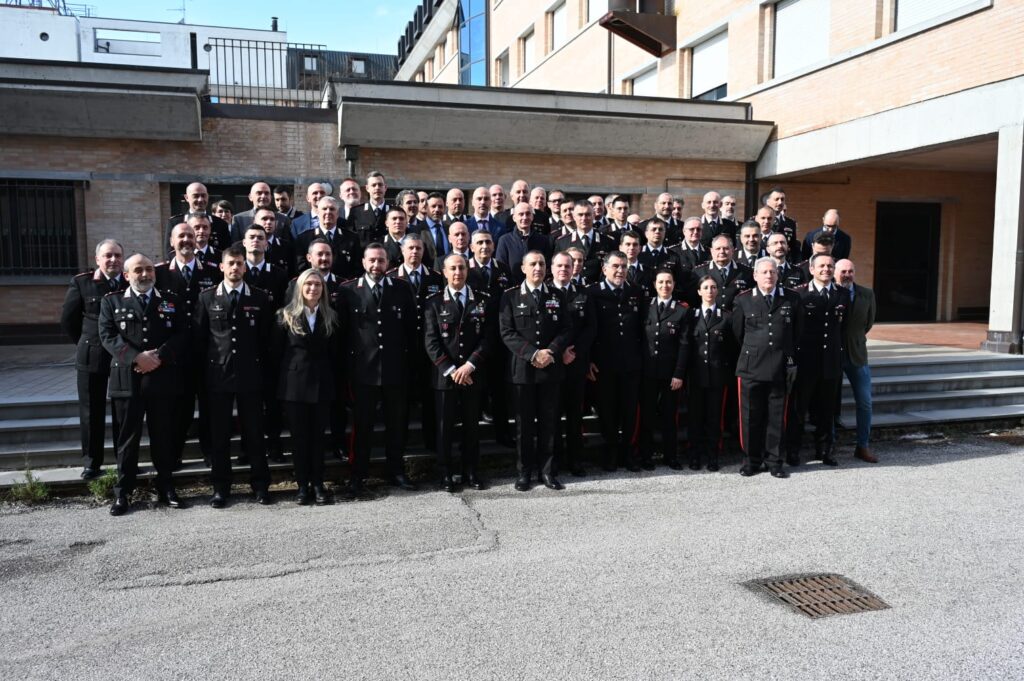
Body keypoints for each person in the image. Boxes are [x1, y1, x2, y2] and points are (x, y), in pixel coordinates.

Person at [99, 254, 189, 516]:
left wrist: (159, 356)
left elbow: (183, 332)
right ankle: (123, 492)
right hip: (127, 380)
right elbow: (107, 335)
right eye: (138, 270)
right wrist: (137, 357)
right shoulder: (112, 301)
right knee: (127, 438)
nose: (145, 274)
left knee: (164, 435)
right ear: (127, 275)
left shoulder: (171, 300)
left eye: (149, 269)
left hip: (162, 378)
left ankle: (166, 487)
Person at [193, 246, 274, 507]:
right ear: (222, 266)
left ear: (245, 267)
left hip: (251, 374)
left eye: (240, 263)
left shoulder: (259, 297)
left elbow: (266, 339)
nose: (235, 267)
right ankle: (221, 488)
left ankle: (260, 486)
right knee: (219, 435)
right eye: (231, 263)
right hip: (219, 375)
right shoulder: (207, 297)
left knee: (254, 433)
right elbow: (200, 340)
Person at [341, 244, 419, 495]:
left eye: (381, 260)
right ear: (363, 262)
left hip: (395, 370)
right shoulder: (348, 291)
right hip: (363, 371)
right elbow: (343, 334)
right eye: (372, 260)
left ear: (388, 263)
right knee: (362, 427)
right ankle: (358, 474)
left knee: (396, 425)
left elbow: (411, 331)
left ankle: (396, 470)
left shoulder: (402, 288)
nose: (377, 265)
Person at [500, 250, 572, 491]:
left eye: (541, 264)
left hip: (550, 368)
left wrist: (550, 351)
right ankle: (524, 473)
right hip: (523, 371)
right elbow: (507, 332)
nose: (538, 268)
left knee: (549, 423)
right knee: (525, 426)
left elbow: (566, 328)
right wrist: (533, 354)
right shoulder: (510, 297)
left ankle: (548, 472)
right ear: (523, 268)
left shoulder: (556, 295)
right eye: (532, 264)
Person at [424, 253, 494, 492]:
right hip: (446, 376)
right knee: (445, 428)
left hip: (473, 374)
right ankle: (445, 473)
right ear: (444, 272)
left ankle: (471, 471)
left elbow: (488, 337)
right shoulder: (433, 302)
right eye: (452, 268)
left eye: (462, 268)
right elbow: (431, 341)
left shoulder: (482, 300)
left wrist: (470, 365)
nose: (457, 272)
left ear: (467, 270)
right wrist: (452, 369)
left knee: (471, 427)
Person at [155, 223, 222, 466]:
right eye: (181, 236)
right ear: (171, 242)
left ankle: (210, 453)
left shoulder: (213, 271)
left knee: (209, 405)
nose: (186, 240)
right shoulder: (159, 273)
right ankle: (174, 455)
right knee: (177, 407)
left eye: (190, 236)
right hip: (174, 354)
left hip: (206, 351)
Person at [60, 238, 127, 480]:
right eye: (108, 255)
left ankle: (124, 461)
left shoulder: (129, 282)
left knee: (122, 411)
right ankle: (91, 463)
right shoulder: (82, 283)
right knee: (91, 411)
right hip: (92, 355)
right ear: (97, 259)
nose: (113, 260)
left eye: (117, 255)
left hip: (122, 357)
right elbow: (68, 320)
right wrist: (86, 342)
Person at [274, 268, 342, 506]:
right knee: (299, 439)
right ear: (300, 288)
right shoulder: (285, 316)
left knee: (318, 439)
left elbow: (335, 354)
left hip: (322, 386)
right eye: (308, 284)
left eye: (318, 285)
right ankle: (303, 486)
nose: (313, 288)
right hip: (295, 387)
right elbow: (276, 354)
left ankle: (318, 484)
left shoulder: (331, 316)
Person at [732, 257, 802, 479]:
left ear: (778, 274)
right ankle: (750, 461)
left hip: (779, 368)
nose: (769, 276)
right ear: (755, 275)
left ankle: (774, 461)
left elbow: (796, 333)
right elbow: (737, 334)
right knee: (749, 418)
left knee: (776, 418)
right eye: (764, 272)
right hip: (751, 368)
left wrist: (788, 359)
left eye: (772, 272)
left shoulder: (791, 298)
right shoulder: (743, 300)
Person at [785, 253, 850, 467]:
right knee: (798, 410)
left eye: (830, 266)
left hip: (830, 361)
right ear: (811, 269)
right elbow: (792, 328)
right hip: (806, 361)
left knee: (826, 410)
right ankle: (793, 450)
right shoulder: (799, 294)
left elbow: (844, 327)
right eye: (821, 266)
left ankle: (824, 451)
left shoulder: (842, 294)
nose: (826, 269)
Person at [588, 251, 645, 471]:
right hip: (604, 364)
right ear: (604, 269)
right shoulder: (593, 293)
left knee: (629, 411)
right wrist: (589, 359)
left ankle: (627, 453)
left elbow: (642, 327)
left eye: (623, 266)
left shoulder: (636, 291)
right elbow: (589, 329)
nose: (620, 271)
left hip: (631, 362)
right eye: (615, 266)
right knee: (607, 410)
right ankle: (611, 452)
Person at [388, 233, 445, 453]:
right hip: (402, 349)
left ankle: (432, 443)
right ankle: (400, 446)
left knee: (430, 400)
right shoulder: (392, 277)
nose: (414, 252)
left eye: (418, 248)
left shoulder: (435, 277)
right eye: (410, 248)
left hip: (428, 349)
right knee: (401, 401)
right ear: (402, 251)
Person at [466, 229, 515, 448]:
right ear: (471, 247)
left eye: (488, 242)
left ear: (494, 246)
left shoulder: (503, 269)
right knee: (474, 392)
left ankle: (503, 434)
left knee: (499, 390)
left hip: (499, 338)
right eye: (479, 243)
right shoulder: (464, 268)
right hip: (473, 340)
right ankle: (471, 440)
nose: (484, 246)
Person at [549, 250, 596, 477]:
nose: (564, 269)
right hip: (552, 363)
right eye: (559, 265)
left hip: (576, 362)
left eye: (568, 266)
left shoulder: (584, 294)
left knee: (575, 415)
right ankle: (554, 460)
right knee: (553, 415)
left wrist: (573, 352)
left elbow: (591, 327)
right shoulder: (545, 293)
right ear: (552, 268)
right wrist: (559, 352)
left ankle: (575, 460)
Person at [638, 268, 689, 470]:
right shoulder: (645, 306)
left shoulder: (682, 310)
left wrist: (679, 373)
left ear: (674, 285)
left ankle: (671, 456)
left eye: (668, 282)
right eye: (660, 282)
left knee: (670, 416)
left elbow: (684, 345)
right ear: (654, 285)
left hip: (670, 374)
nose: (664, 286)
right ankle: (646, 456)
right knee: (647, 416)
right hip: (648, 372)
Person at [686, 275, 735, 471]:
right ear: (699, 291)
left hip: (717, 376)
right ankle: (694, 455)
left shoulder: (727, 317)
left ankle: (713, 456)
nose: (710, 291)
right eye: (705, 287)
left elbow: (732, 348)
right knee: (695, 418)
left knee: (715, 419)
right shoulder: (691, 315)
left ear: (718, 291)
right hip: (696, 376)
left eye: (713, 287)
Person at [835, 258, 877, 463]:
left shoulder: (867, 294)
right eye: (843, 271)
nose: (847, 275)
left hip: (857, 355)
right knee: (829, 403)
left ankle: (863, 446)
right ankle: (828, 445)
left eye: (850, 271)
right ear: (835, 273)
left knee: (865, 402)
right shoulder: (830, 293)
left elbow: (868, 323)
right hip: (833, 354)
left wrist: (855, 340)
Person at [293, 196, 361, 279]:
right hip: (315, 284)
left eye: (332, 209)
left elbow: (357, 268)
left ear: (337, 214)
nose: (328, 212)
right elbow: (301, 269)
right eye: (324, 209)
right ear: (318, 213)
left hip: (343, 285)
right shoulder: (304, 238)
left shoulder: (352, 238)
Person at [553, 200, 616, 283]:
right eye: (580, 215)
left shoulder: (608, 241)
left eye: (587, 214)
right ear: (574, 216)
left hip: (599, 288)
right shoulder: (562, 242)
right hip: (573, 287)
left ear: (594, 215)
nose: (584, 218)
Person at [689, 234, 753, 310]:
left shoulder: (746, 271)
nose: (722, 251)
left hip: (736, 315)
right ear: (711, 251)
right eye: (718, 248)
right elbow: (693, 299)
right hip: (711, 315)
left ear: (732, 250)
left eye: (726, 248)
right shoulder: (699, 272)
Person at [495, 202, 552, 282]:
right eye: (521, 214)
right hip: (513, 286)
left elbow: (547, 266)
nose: (525, 217)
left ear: (532, 217)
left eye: (528, 214)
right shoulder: (505, 240)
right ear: (514, 218)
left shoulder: (543, 240)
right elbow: (501, 267)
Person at [166, 182, 231, 250]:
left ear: (207, 196)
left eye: (203, 195)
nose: (200, 199)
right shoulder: (175, 223)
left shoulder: (220, 224)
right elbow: (170, 251)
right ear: (186, 197)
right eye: (196, 196)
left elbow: (226, 252)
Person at [348, 171, 391, 246]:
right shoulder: (356, 212)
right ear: (367, 188)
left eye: (380, 185)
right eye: (373, 185)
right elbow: (350, 239)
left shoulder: (393, 211)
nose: (377, 188)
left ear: (385, 188)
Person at [251, 207, 296, 278]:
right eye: (264, 219)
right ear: (254, 222)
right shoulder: (243, 247)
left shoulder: (287, 247)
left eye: (272, 219)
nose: (269, 222)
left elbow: (293, 274)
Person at [765, 186, 800, 256]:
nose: (780, 202)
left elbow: (793, 247)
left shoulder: (790, 223)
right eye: (776, 199)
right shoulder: (757, 221)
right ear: (768, 202)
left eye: (782, 199)